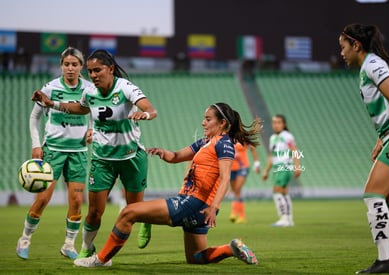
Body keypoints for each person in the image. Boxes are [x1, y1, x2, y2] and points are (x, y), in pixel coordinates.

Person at [72, 102, 262, 267]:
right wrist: (163, 152)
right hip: (199, 207)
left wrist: (214, 206)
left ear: (222, 123)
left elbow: (225, 177)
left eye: (208, 119)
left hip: (194, 203)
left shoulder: (223, 143)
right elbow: (177, 156)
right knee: (195, 258)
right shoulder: (206, 142)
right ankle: (230, 249)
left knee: (128, 213)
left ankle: (100, 259)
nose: (203, 122)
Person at [31, 49, 157, 259]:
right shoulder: (89, 92)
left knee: (134, 209)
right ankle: (86, 248)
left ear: (111, 69)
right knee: (94, 212)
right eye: (90, 71)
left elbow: (151, 109)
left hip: (131, 157)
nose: (94, 75)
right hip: (102, 159)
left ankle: (146, 220)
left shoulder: (125, 88)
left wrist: (145, 113)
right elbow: (81, 109)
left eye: (98, 70)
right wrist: (51, 103)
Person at [339, 23, 389, 274]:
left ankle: (386, 260)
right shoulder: (371, 64)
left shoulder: (372, 64)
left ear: (356, 45)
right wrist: (383, 138)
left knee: (373, 195)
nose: (342, 53)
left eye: (343, 47)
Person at [16, 47, 92, 260]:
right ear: (61, 66)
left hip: (78, 151)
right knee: (43, 199)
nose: (70, 68)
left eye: (74, 64)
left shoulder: (88, 88)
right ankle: (25, 239)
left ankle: (69, 244)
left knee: (77, 200)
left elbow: (93, 110)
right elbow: (34, 118)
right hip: (54, 151)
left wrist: (92, 129)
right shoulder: (50, 88)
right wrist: (36, 144)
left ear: (81, 67)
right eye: (66, 64)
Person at [262, 114, 301, 227]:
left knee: (276, 191)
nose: (276, 125)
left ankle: (283, 219)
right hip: (276, 168)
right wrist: (266, 171)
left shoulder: (287, 136)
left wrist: (297, 166)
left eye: (279, 122)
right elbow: (271, 156)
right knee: (284, 192)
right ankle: (289, 219)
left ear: (284, 124)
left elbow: (295, 151)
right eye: (274, 122)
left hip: (284, 166)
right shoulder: (273, 138)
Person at [229, 143, 260, 224]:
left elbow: (252, 148)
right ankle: (242, 216)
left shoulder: (242, 137)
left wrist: (257, 164)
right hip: (231, 168)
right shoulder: (227, 138)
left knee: (237, 188)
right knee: (236, 191)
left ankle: (234, 212)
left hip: (243, 167)